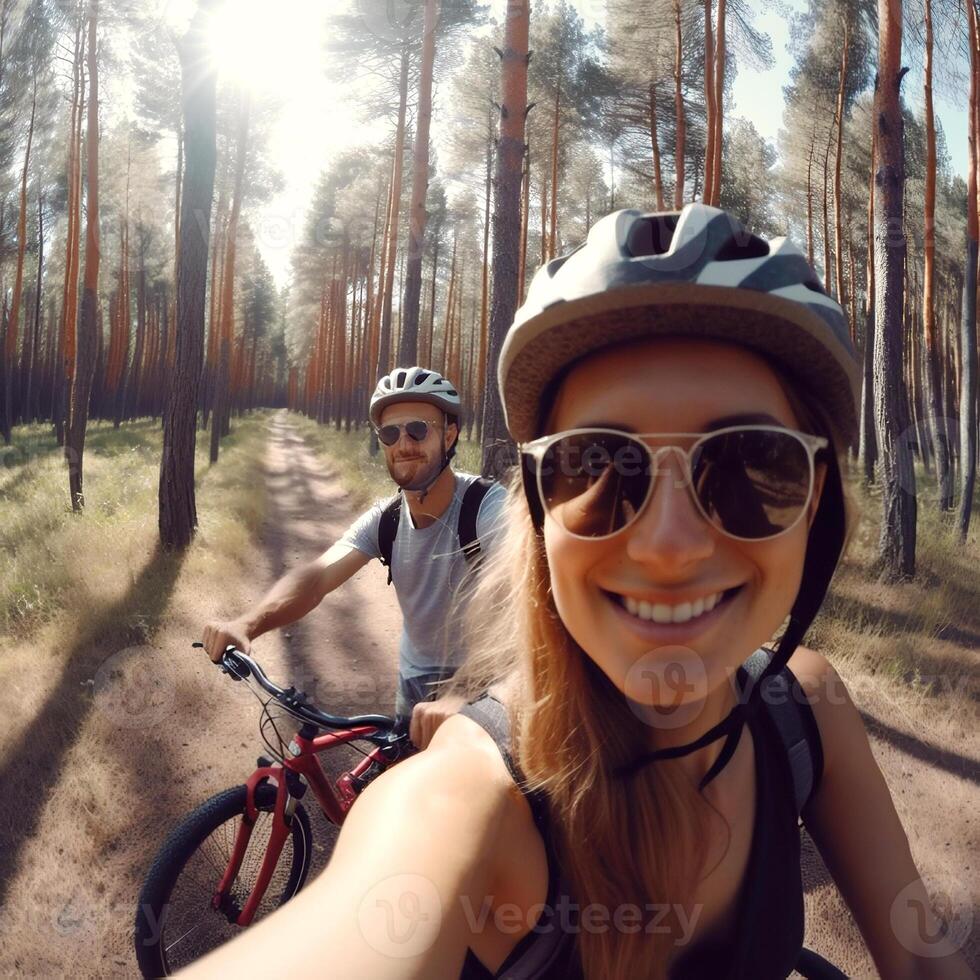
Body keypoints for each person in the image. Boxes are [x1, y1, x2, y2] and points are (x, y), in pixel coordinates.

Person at [182, 205, 973, 979]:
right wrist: (256, 623)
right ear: (542, 516)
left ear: (820, 507)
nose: (669, 546)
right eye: (594, 464)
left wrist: (482, 701)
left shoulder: (809, 713)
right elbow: (322, 580)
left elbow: (919, 954)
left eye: (748, 465)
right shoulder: (466, 798)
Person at [201, 366, 506, 749]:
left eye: (418, 429)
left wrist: (466, 692)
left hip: (484, 684)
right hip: (413, 683)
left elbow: (530, 606)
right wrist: (248, 623)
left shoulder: (488, 510)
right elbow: (315, 579)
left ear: (449, 433)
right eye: (390, 433)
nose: (404, 443)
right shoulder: (388, 519)